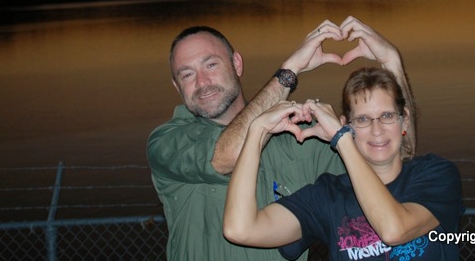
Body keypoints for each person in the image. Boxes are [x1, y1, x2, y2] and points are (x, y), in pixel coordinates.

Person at [147, 17, 416, 260]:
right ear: (176, 85)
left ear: (236, 63)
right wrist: (291, 69)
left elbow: (395, 158)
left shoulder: (299, 134)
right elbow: (227, 156)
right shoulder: (168, 140)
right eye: (187, 74)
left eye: (211, 64)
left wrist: (392, 64)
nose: (202, 82)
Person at [223, 67, 463, 260]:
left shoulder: (435, 175)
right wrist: (257, 131)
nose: (376, 130)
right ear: (346, 124)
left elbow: (394, 230)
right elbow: (240, 229)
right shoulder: (329, 195)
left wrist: (342, 140)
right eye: (363, 119)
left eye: (387, 116)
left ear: (404, 120)